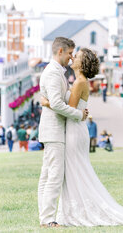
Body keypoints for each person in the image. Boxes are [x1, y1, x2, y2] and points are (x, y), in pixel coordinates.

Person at [41, 47, 123, 227]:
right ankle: (70, 211)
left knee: (73, 171)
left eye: (77, 56)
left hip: (73, 130)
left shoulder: (79, 82)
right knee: (74, 172)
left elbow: (67, 109)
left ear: (82, 63)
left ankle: (74, 212)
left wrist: (47, 102)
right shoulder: (80, 81)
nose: (73, 56)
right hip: (76, 128)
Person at [37, 37, 89, 228]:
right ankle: (48, 219)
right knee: (54, 176)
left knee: (47, 175)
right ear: (60, 51)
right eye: (69, 53)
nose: (71, 57)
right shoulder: (52, 73)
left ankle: (45, 217)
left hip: (54, 130)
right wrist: (78, 114)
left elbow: (59, 99)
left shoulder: (58, 72)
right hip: (54, 131)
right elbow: (58, 103)